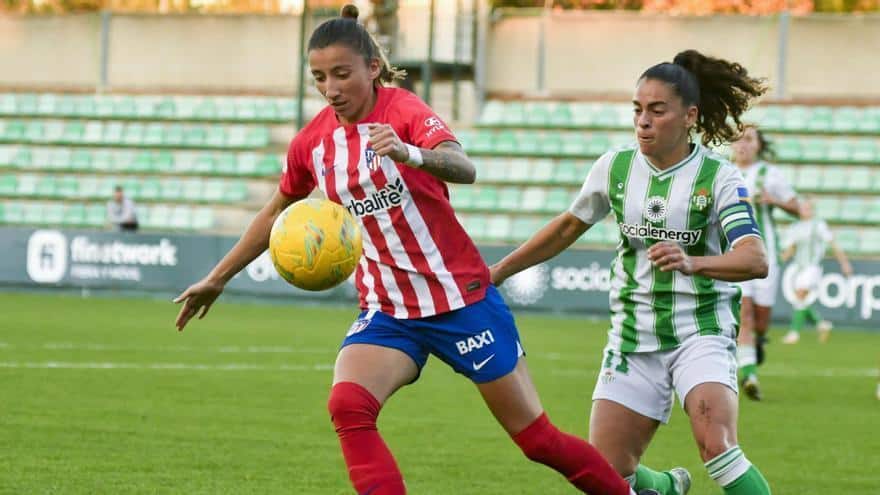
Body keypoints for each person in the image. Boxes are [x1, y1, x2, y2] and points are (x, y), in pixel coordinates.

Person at [173, 6, 654, 495]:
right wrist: (219, 276)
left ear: (372, 68)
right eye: (319, 77)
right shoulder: (313, 143)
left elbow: (464, 168)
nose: (331, 88)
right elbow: (274, 210)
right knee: (348, 407)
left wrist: (409, 153)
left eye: (342, 74)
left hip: (460, 301)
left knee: (537, 441)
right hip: (389, 309)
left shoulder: (404, 112)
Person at [491, 50, 773, 495]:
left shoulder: (719, 179)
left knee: (716, 444)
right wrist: (500, 271)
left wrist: (692, 261)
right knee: (606, 471)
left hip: (700, 332)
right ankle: (665, 486)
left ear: (689, 116)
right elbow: (568, 226)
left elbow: (755, 259)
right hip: (632, 335)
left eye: (657, 110)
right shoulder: (615, 168)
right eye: (638, 110)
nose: (643, 121)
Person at [730, 124, 799, 400]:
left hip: (766, 256)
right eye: (738, 139)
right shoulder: (723, 172)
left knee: (759, 321)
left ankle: (756, 343)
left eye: (748, 139)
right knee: (743, 316)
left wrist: (774, 201)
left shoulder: (770, 175)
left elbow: (797, 207)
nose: (742, 144)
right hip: (736, 255)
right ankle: (750, 376)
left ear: (758, 145)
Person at [779, 197, 852, 344]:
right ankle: (821, 324)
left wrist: (844, 263)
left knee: (800, 294)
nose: (806, 210)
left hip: (813, 266)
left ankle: (794, 333)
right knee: (801, 300)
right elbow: (791, 249)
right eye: (804, 207)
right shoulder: (795, 227)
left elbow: (833, 244)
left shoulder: (818, 225)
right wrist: (777, 262)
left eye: (808, 208)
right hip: (799, 267)